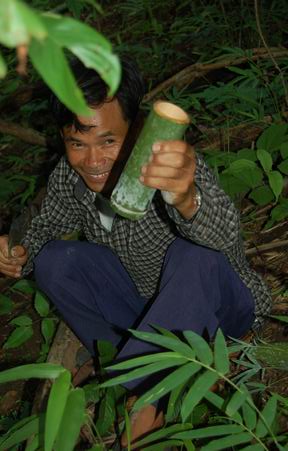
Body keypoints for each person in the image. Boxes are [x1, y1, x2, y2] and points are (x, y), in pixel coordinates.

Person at [0, 57, 271, 445]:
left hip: (219, 311)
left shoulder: (168, 166)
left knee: (193, 254)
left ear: (137, 129)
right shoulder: (71, 178)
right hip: (146, 312)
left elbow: (226, 244)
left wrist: (187, 199)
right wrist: (17, 250)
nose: (92, 161)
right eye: (77, 143)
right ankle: (122, 360)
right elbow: (39, 228)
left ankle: (145, 396)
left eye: (108, 141)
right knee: (56, 261)